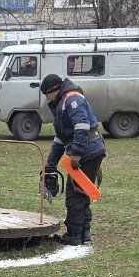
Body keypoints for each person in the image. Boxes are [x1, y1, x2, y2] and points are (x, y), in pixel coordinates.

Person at [40, 72, 106, 246]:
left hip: (87, 153)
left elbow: (82, 126)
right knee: (82, 193)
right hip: (88, 151)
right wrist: (50, 164)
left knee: (75, 194)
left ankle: (74, 235)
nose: (46, 98)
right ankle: (84, 234)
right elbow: (61, 138)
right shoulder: (62, 103)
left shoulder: (72, 100)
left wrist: (76, 153)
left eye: (47, 94)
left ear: (55, 90)